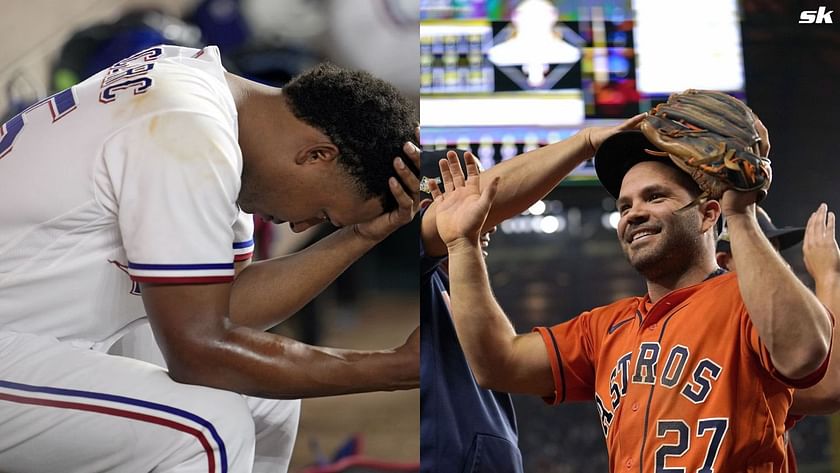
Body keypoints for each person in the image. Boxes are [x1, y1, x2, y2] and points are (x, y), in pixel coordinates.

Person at [0, 44, 420, 473]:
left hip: (33, 333)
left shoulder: (215, 103)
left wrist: (358, 236)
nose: (301, 226)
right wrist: (391, 368)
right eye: (324, 214)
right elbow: (198, 349)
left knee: (263, 401)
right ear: (316, 155)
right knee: (207, 431)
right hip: (13, 341)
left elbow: (229, 309)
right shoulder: (189, 128)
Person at [428, 127, 834, 471]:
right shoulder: (604, 326)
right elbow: (498, 363)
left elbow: (808, 357)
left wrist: (741, 214)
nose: (633, 213)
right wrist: (462, 244)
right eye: (624, 205)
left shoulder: (749, 301)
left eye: (655, 197)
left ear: (710, 214)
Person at [419, 115, 643, 472]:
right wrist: (584, 143)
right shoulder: (424, 274)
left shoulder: (445, 288)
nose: (488, 220)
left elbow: (500, 364)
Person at [716, 205, 840, 472]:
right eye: (764, 250)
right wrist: (828, 276)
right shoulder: (731, 330)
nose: (779, 263)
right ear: (724, 261)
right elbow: (830, 386)